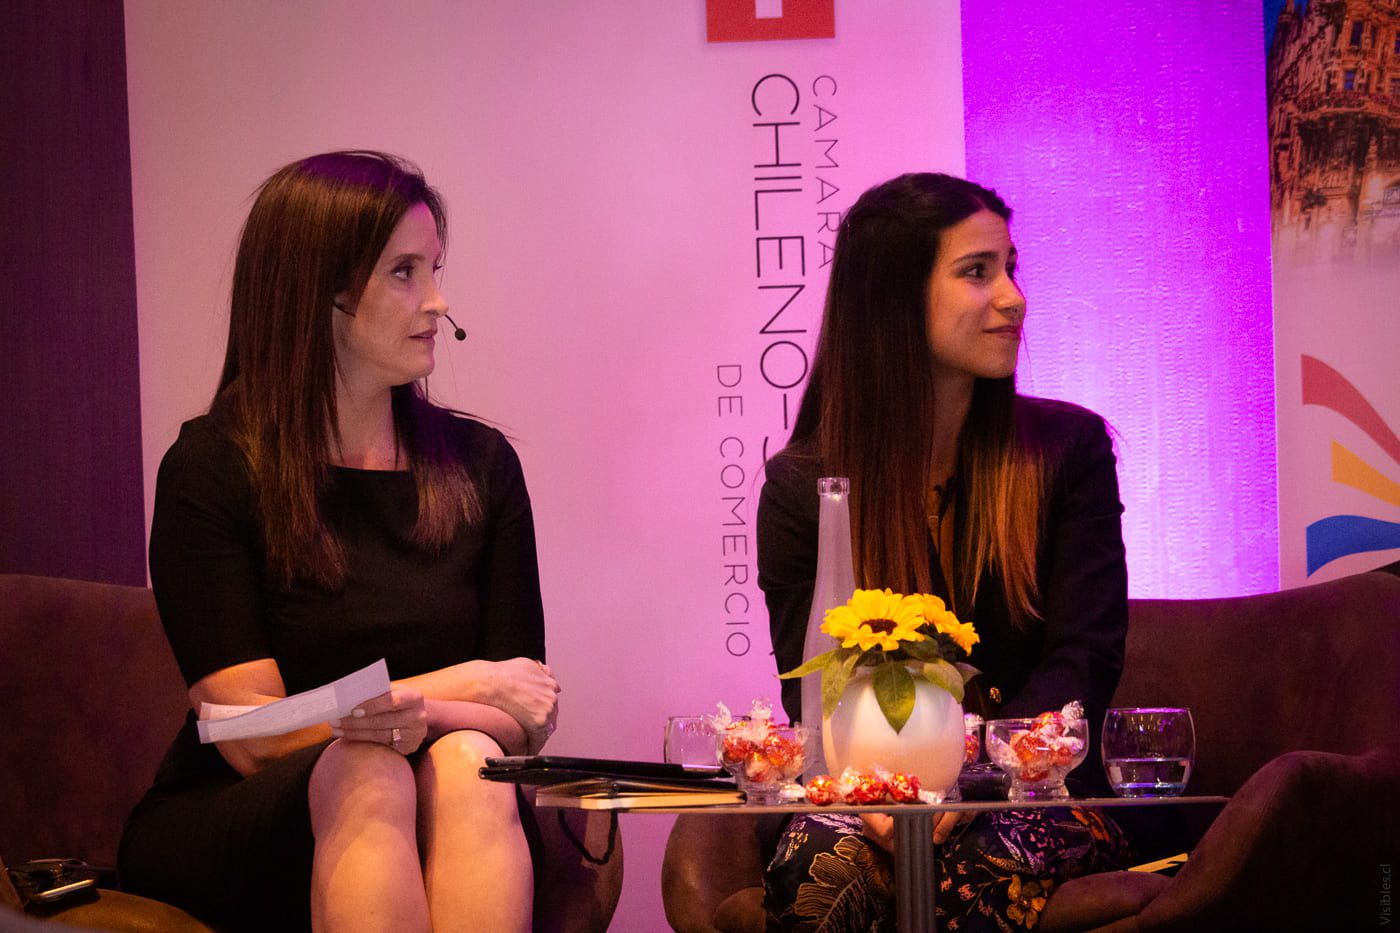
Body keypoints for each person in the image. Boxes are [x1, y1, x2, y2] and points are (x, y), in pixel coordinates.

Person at [119, 151, 558, 933]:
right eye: (403, 273)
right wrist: (459, 685)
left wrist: (435, 711)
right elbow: (250, 736)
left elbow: (519, 713)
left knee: (469, 763)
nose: (437, 301)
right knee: (368, 769)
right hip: (247, 812)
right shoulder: (211, 469)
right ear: (317, 291)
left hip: (443, 787)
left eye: (434, 269)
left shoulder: (482, 467)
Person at [758, 173, 1132, 931]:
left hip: (1038, 794)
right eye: (977, 272)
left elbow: (1083, 658)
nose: (1014, 298)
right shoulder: (805, 487)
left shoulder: (1069, 452)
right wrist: (885, 793)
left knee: (980, 859)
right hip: (871, 799)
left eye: (1011, 267)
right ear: (895, 302)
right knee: (820, 863)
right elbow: (820, 688)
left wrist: (970, 775)